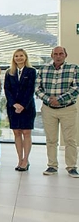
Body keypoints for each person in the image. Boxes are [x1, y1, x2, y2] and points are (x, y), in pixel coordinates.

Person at [36, 46, 79, 177]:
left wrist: (60, 99)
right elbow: (37, 88)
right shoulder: (43, 69)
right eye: (56, 54)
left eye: (61, 54)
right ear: (52, 55)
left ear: (65, 55)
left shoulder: (73, 68)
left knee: (70, 139)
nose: (58, 56)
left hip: (68, 109)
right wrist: (49, 100)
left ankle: (71, 167)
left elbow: (77, 87)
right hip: (48, 109)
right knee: (51, 139)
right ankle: (52, 166)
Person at [4, 49, 36, 171]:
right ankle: (20, 159)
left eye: (21, 56)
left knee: (26, 133)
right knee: (17, 133)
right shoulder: (9, 72)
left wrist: (22, 105)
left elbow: (30, 90)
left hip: (27, 107)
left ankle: (26, 160)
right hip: (13, 108)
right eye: (16, 56)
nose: (19, 58)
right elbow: (7, 89)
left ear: (25, 57)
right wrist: (14, 104)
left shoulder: (31, 71)